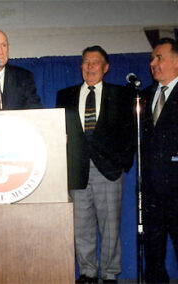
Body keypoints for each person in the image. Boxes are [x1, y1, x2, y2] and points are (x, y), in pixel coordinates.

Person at [56, 46, 135, 283]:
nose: (90, 67)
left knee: (110, 229)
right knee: (81, 228)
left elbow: (130, 133)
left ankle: (110, 274)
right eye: (86, 62)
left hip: (108, 172)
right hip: (77, 172)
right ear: (80, 65)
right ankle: (88, 273)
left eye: (95, 62)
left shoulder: (121, 95)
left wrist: (120, 163)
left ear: (106, 67)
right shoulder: (65, 95)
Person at [141, 37, 178, 283]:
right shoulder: (144, 96)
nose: (153, 63)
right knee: (153, 256)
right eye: (152, 59)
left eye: (159, 57)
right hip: (152, 191)